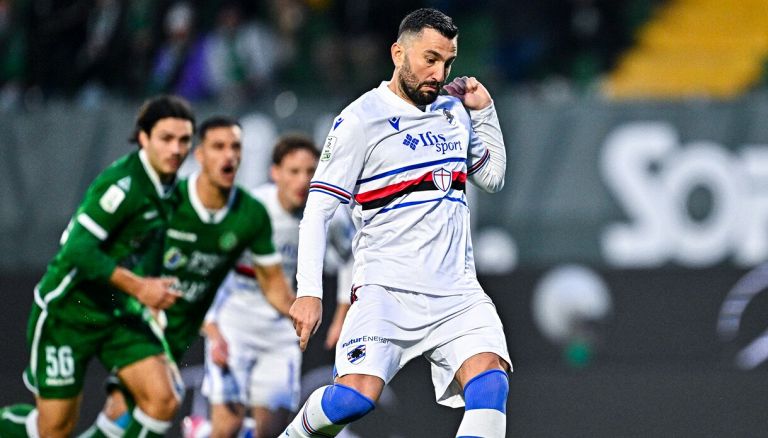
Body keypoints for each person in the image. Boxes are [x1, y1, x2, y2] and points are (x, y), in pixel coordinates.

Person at [284, 8, 511, 438]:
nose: (439, 74)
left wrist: (484, 111)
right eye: (430, 59)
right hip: (386, 291)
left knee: (490, 382)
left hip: (457, 292)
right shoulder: (359, 120)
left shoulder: (454, 112)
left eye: (448, 62)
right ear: (398, 53)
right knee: (354, 399)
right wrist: (309, 292)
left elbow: (493, 177)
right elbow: (318, 210)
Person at [80, 116, 296, 438]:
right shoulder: (169, 202)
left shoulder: (249, 214)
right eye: (218, 147)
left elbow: (271, 283)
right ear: (200, 155)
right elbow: (119, 255)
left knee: (172, 415)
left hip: (182, 329)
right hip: (143, 323)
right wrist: (136, 296)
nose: (229, 156)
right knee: (126, 410)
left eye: (235, 147)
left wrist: (301, 311)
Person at [0, 95, 196, 438]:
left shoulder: (170, 189)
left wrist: (149, 297)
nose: (176, 149)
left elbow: (147, 246)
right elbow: (76, 250)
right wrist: (140, 288)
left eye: (184, 140)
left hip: (116, 313)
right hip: (69, 313)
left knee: (163, 399)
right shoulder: (123, 184)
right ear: (143, 138)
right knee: (54, 429)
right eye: (166, 138)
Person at [197, 134, 354, 438]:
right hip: (235, 322)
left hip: (283, 331)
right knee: (227, 426)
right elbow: (210, 267)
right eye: (294, 171)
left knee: (270, 431)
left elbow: (351, 260)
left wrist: (341, 317)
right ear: (275, 173)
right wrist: (212, 328)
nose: (303, 180)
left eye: (310, 171)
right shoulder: (251, 210)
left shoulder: (328, 215)